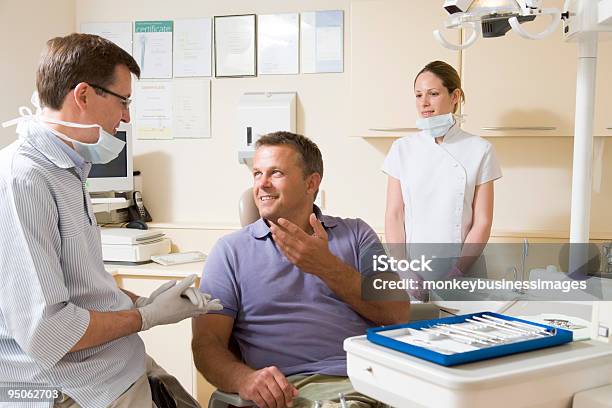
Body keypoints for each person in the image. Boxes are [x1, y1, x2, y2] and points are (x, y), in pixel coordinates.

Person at [0, 33, 220, 408]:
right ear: (83, 95)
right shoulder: (24, 179)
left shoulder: (68, 168)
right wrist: (146, 316)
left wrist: (142, 300)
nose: (127, 116)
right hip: (71, 387)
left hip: (116, 364)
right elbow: (49, 331)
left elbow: (80, 287)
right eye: (123, 101)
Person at [192, 132, 410, 408]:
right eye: (257, 173)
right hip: (297, 390)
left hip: (377, 379)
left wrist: (326, 266)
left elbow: (397, 313)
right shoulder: (229, 251)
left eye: (276, 173)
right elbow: (206, 344)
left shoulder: (357, 234)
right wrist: (244, 379)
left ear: (311, 183)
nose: (262, 184)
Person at [383, 60, 502, 281]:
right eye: (418, 95)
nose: (424, 103)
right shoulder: (402, 149)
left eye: (433, 94)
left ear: (455, 96)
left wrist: (458, 271)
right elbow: (394, 214)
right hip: (413, 267)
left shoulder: (480, 149)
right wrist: (402, 267)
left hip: (465, 268)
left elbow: (482, 221)